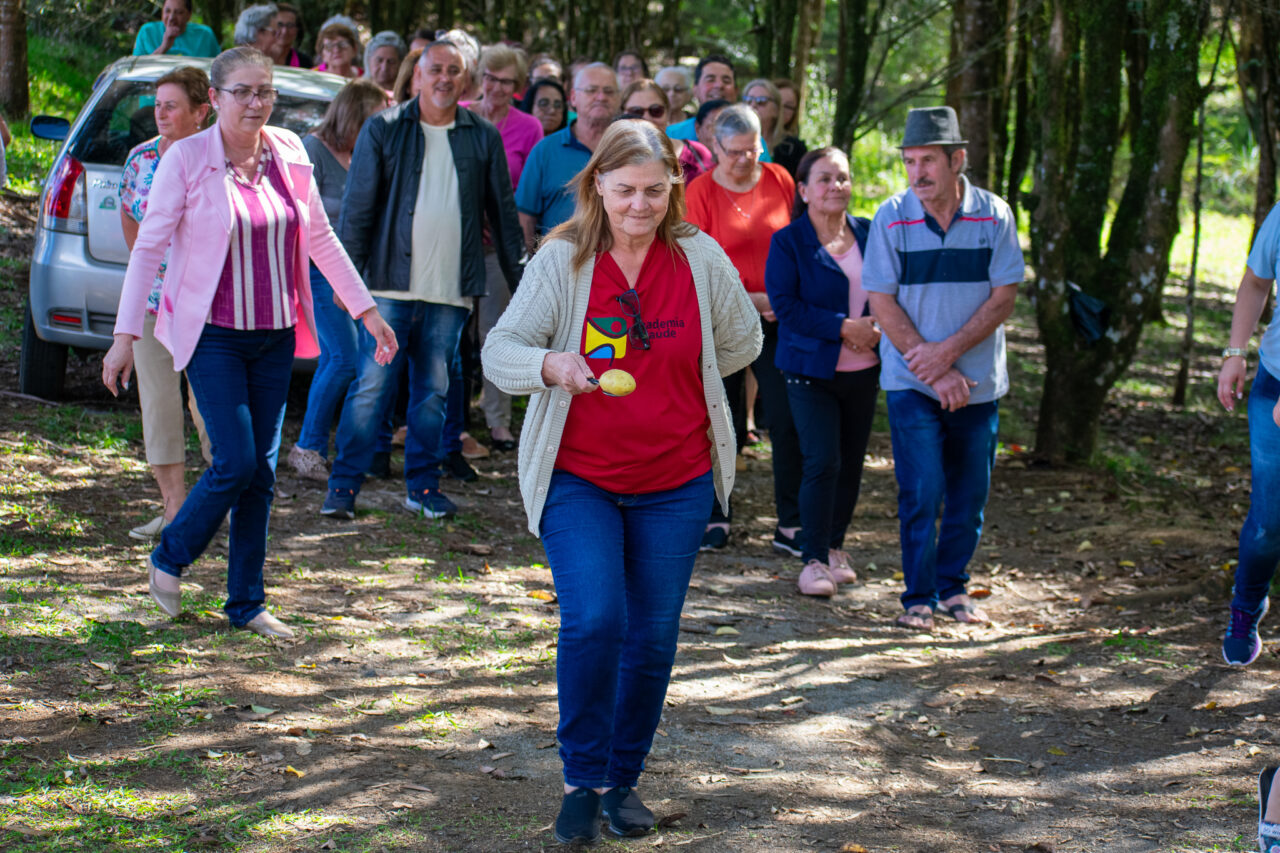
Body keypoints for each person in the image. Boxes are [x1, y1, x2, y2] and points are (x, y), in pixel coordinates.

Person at [481, 119, 761, 846]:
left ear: (673, 186)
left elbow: (742, 341)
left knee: (652, 636)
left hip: (678, 479)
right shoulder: (563, 259)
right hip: (581, 477)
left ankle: (623, 778)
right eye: (624, 189)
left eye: (653, 189)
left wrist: (683, 374)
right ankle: (582, 779)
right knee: (596, 619)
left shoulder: (698, 257)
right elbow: (501, 348)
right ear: (596, 186)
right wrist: (554, 366)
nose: (639, 204)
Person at [101, 47, 398, 638]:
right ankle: (171, 556)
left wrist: (367, 311)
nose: (256, 102)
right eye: (242, 92)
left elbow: (320, 236)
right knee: (234, 461)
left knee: (259, 473)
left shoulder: (289, 151)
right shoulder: (186, 159)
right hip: (212, 335)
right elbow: (148, 254)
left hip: (276, 335)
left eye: (264, 92)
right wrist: (123, 336)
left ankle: (247, 603)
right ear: (215, 98)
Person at [321, 39, 524, 521]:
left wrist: (524, 286)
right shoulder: (383, 129)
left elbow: (505, 216)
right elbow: (357, 211)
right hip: (387, 287)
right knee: (371, 388)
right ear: (417, 77)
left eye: (455, 70)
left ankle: (424, 488)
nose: (444, 78)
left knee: (433, 393)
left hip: (450, 290)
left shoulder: (483, 136)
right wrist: (346, 278)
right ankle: (344, 487)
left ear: (467, 80)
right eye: (435, 69)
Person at [862, 106, 1023, 631]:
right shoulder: (891, 216)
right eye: (909, 162)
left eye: (927, 161)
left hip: (977, 383)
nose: (917, 173)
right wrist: (933, 366)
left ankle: (953, 587)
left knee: (969, 494)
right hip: (912, 381)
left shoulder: (994, 215)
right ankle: (918, 597)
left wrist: (948, 354)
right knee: (923, 488)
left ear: (958, 160)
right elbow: (881, 300)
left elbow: (1004, 298)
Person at [685, 105, 801, 555]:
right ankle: (717, 513)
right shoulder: (699, 191)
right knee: (720, 418)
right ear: (715, 147)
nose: (742, 160)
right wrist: (753, 301)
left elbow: (792, 244)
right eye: (733, 152)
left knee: (786, 416)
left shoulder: (780, 180)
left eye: (751, 150)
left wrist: (780, 299)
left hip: (778, 317)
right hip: (722, 319)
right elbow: (700, 265)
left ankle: (791, 521)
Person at [765, 148, 879, 596]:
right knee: (822, 461)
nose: (836, 186)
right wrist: (842, 327)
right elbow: (786, 307)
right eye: (826, 179)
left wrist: (875, 328)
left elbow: (892, 290)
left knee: (851, 463)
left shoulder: (871, 234)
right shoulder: (789, 241)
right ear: (805, 190)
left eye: (844, 178)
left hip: (866, 366)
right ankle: (811, 559)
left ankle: (835, 549)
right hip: (810, 369)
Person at [118, 66, 213, 541]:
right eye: (157, 105)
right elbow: (131, 225)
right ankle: (174, 510)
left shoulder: (218, 157)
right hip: (154, 303)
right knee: (158, 405)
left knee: (210, 406)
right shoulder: (139, 159)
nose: (160, 113)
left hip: (208, 307)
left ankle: (224, 506)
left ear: (201, 111)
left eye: (171, 105)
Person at [288, 79, 391, 481]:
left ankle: (338, 451)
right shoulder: (312, 150)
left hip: (354, 274)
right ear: (353, 115)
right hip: (319, 271)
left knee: (357, 362)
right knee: (341, 358)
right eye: (373, 119)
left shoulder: (362, 155)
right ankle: (308, 448)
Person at [468, 44, 545, 453]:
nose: (496, 87)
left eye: (506, 82)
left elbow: (527, 191)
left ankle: (498, 420)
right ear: (479, 76)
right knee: (453, 332)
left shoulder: (528, 127)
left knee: (495, 331)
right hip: (455, 243)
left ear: (518, 87)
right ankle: (454, 418)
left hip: (501, 244)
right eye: (490, 78)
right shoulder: (460, 113)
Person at [1217, 202, 1280, 666]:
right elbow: (1257, 281)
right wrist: (1236, 351)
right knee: (1267, 523)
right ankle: (1246, 606)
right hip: (1273, 382)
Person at [516, 63, 621, 253]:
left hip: (621, 269)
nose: (601, 97)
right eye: (591, 90)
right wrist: (532, 266)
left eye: (609, 91)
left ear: (619, 99)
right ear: (573, 98)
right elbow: (525, 216)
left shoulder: (629, 148)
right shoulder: (545, 150)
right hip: (558, 267)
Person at [621, 79, 711, 185]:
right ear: (622, 115)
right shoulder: (611, 158)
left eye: (656, 111)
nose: (647, 118)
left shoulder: (697, 153)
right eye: (636, 112)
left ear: (668, 113)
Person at [744, 78, 806, 177]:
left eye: (761, 101)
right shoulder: (732, 141)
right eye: (748, 100)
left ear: (777, 110)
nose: (753, 105)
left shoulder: (793, 148)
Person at [666, 55, 737, 141]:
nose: (719, 85)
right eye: (710, 80)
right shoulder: (672, 135)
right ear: (695, 90)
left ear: (736, 91)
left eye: (726, 81)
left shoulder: (752, 140)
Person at [133, 0, 221, 58]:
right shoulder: (147, 32)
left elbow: (218, 69)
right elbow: (137, 69)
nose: (171, 18)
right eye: (167, 11)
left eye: (178, 12)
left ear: (189, 15)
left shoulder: (205, 35)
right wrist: (164, 47)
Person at [774, 78, 807, 168]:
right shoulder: (745, 138)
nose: (782, 110)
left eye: (788, 106)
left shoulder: (796, 148)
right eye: (778, 103)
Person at [269, 3, 311, 67]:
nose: (284, 31)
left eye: (290, 25)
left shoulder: (304, 62)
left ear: (297, 30)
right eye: (280, 25)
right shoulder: (257, 58)